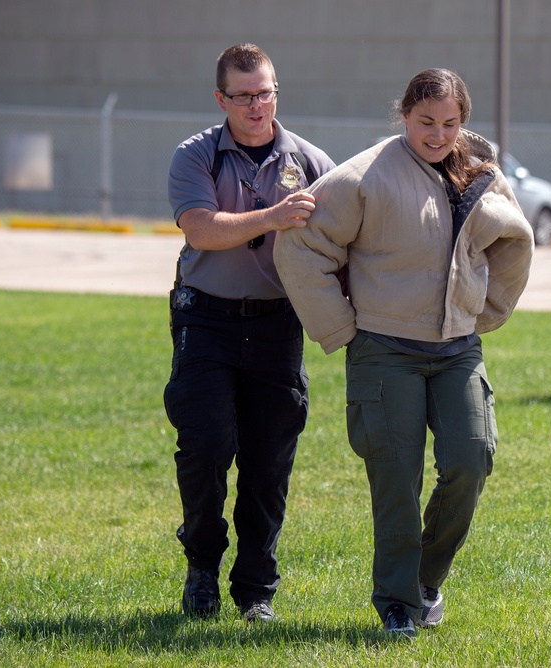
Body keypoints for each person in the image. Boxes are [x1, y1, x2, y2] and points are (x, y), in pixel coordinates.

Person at [274, 68, 534, 638]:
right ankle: (396, 603)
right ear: (405, 116)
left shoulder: (481, 173)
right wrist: (340, 328)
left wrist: (484, 312)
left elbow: (516, 239)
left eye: (449, 123)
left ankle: (426, 580)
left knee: (471, 460)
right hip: (384, 351)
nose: (437, 135)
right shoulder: (365, 175)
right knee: (395, 480)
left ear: (462, 122)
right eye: (425, 122)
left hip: (457, 350)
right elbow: (300, 244)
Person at [164, 43, 335, 623]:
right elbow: (203, 230)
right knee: (206, 446)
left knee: (268, 463)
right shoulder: (196, 157)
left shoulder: (313, 162)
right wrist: (272, 216)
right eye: (244, 96)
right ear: (222, 99)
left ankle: (256, 589)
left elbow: (344, 241)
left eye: (266, 92)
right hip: (205, 319)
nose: (257, 105)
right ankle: (202, 571)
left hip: (276, 326)